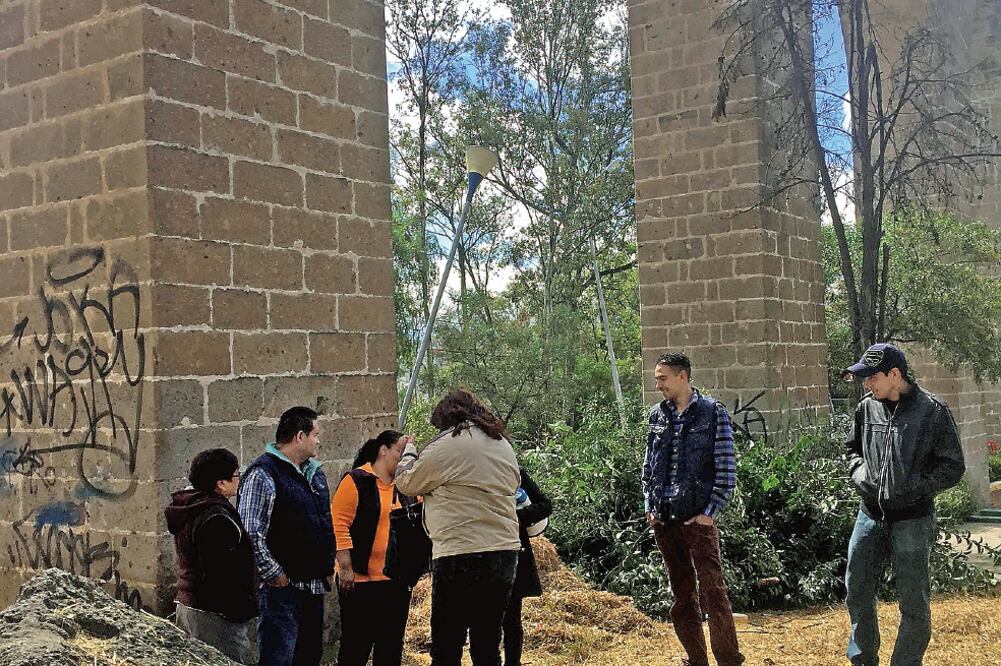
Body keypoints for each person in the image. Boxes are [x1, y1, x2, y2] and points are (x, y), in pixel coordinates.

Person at [842, 343, 965, 666]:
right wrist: (861, 475)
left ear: (895, 374)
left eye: (872, 378)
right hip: (868, 516)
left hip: (913, 520)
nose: (867, 384)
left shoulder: (932, 412)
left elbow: (953, 466)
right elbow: (851, 451)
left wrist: (916, 489)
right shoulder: (866, 408)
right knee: (857, 590)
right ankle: (863, 659)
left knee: (912, 601)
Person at [395, 388, 521, 666]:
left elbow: (407, 483)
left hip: (459, 552)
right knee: (487, 642)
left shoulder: (448, 444)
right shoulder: (502, 444)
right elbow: (514, 486)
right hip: (503, 553)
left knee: (446, 644)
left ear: (445, 418)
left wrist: (409, 453)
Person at [642, 352, 745, 666]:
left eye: (663, 378)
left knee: (714, 593)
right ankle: (695, 659)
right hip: (665, 520)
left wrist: (709, 514)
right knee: (682, 596)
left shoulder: (712, 412)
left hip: (697, 521)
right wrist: (650, 505)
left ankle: (728, 660)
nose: (658, 384)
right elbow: (648, 467)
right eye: (657, 378)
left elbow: (726, 469)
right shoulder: (657, 415)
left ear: (682, 376)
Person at [238, 406, 335, 666]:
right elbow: (251, 531)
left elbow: (322, 522)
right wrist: (274, 574)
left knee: (309, 657)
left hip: (313, 586)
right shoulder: (263, 473)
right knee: (279, 659)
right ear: (300, 436)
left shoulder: (314, 473)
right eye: (315, 434)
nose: (318, 440)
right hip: (283, 591)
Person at [165, 448, 258, 664]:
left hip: (191, 605)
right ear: (221, 483)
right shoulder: (215, 518)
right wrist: (238, 611)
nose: (239, 480)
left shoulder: (192, 507)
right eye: (236, 475)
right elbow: (219, 575)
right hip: (214, 616)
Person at [331, 430, 416, 666]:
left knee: (390, 649)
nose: (402, 457)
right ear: (383, 450)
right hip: (360, 581)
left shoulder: (406, 488)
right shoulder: (356, 480)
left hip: (395, 581)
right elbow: (339, 523)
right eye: (400, 450)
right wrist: (345, 566)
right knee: (356, 647)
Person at [502, 466, 552, 666]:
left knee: (512, 618)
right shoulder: (472, 471)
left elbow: (545, 505)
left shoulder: (515, 471)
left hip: (514, 552)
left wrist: (515, 518)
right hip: (481, 553)